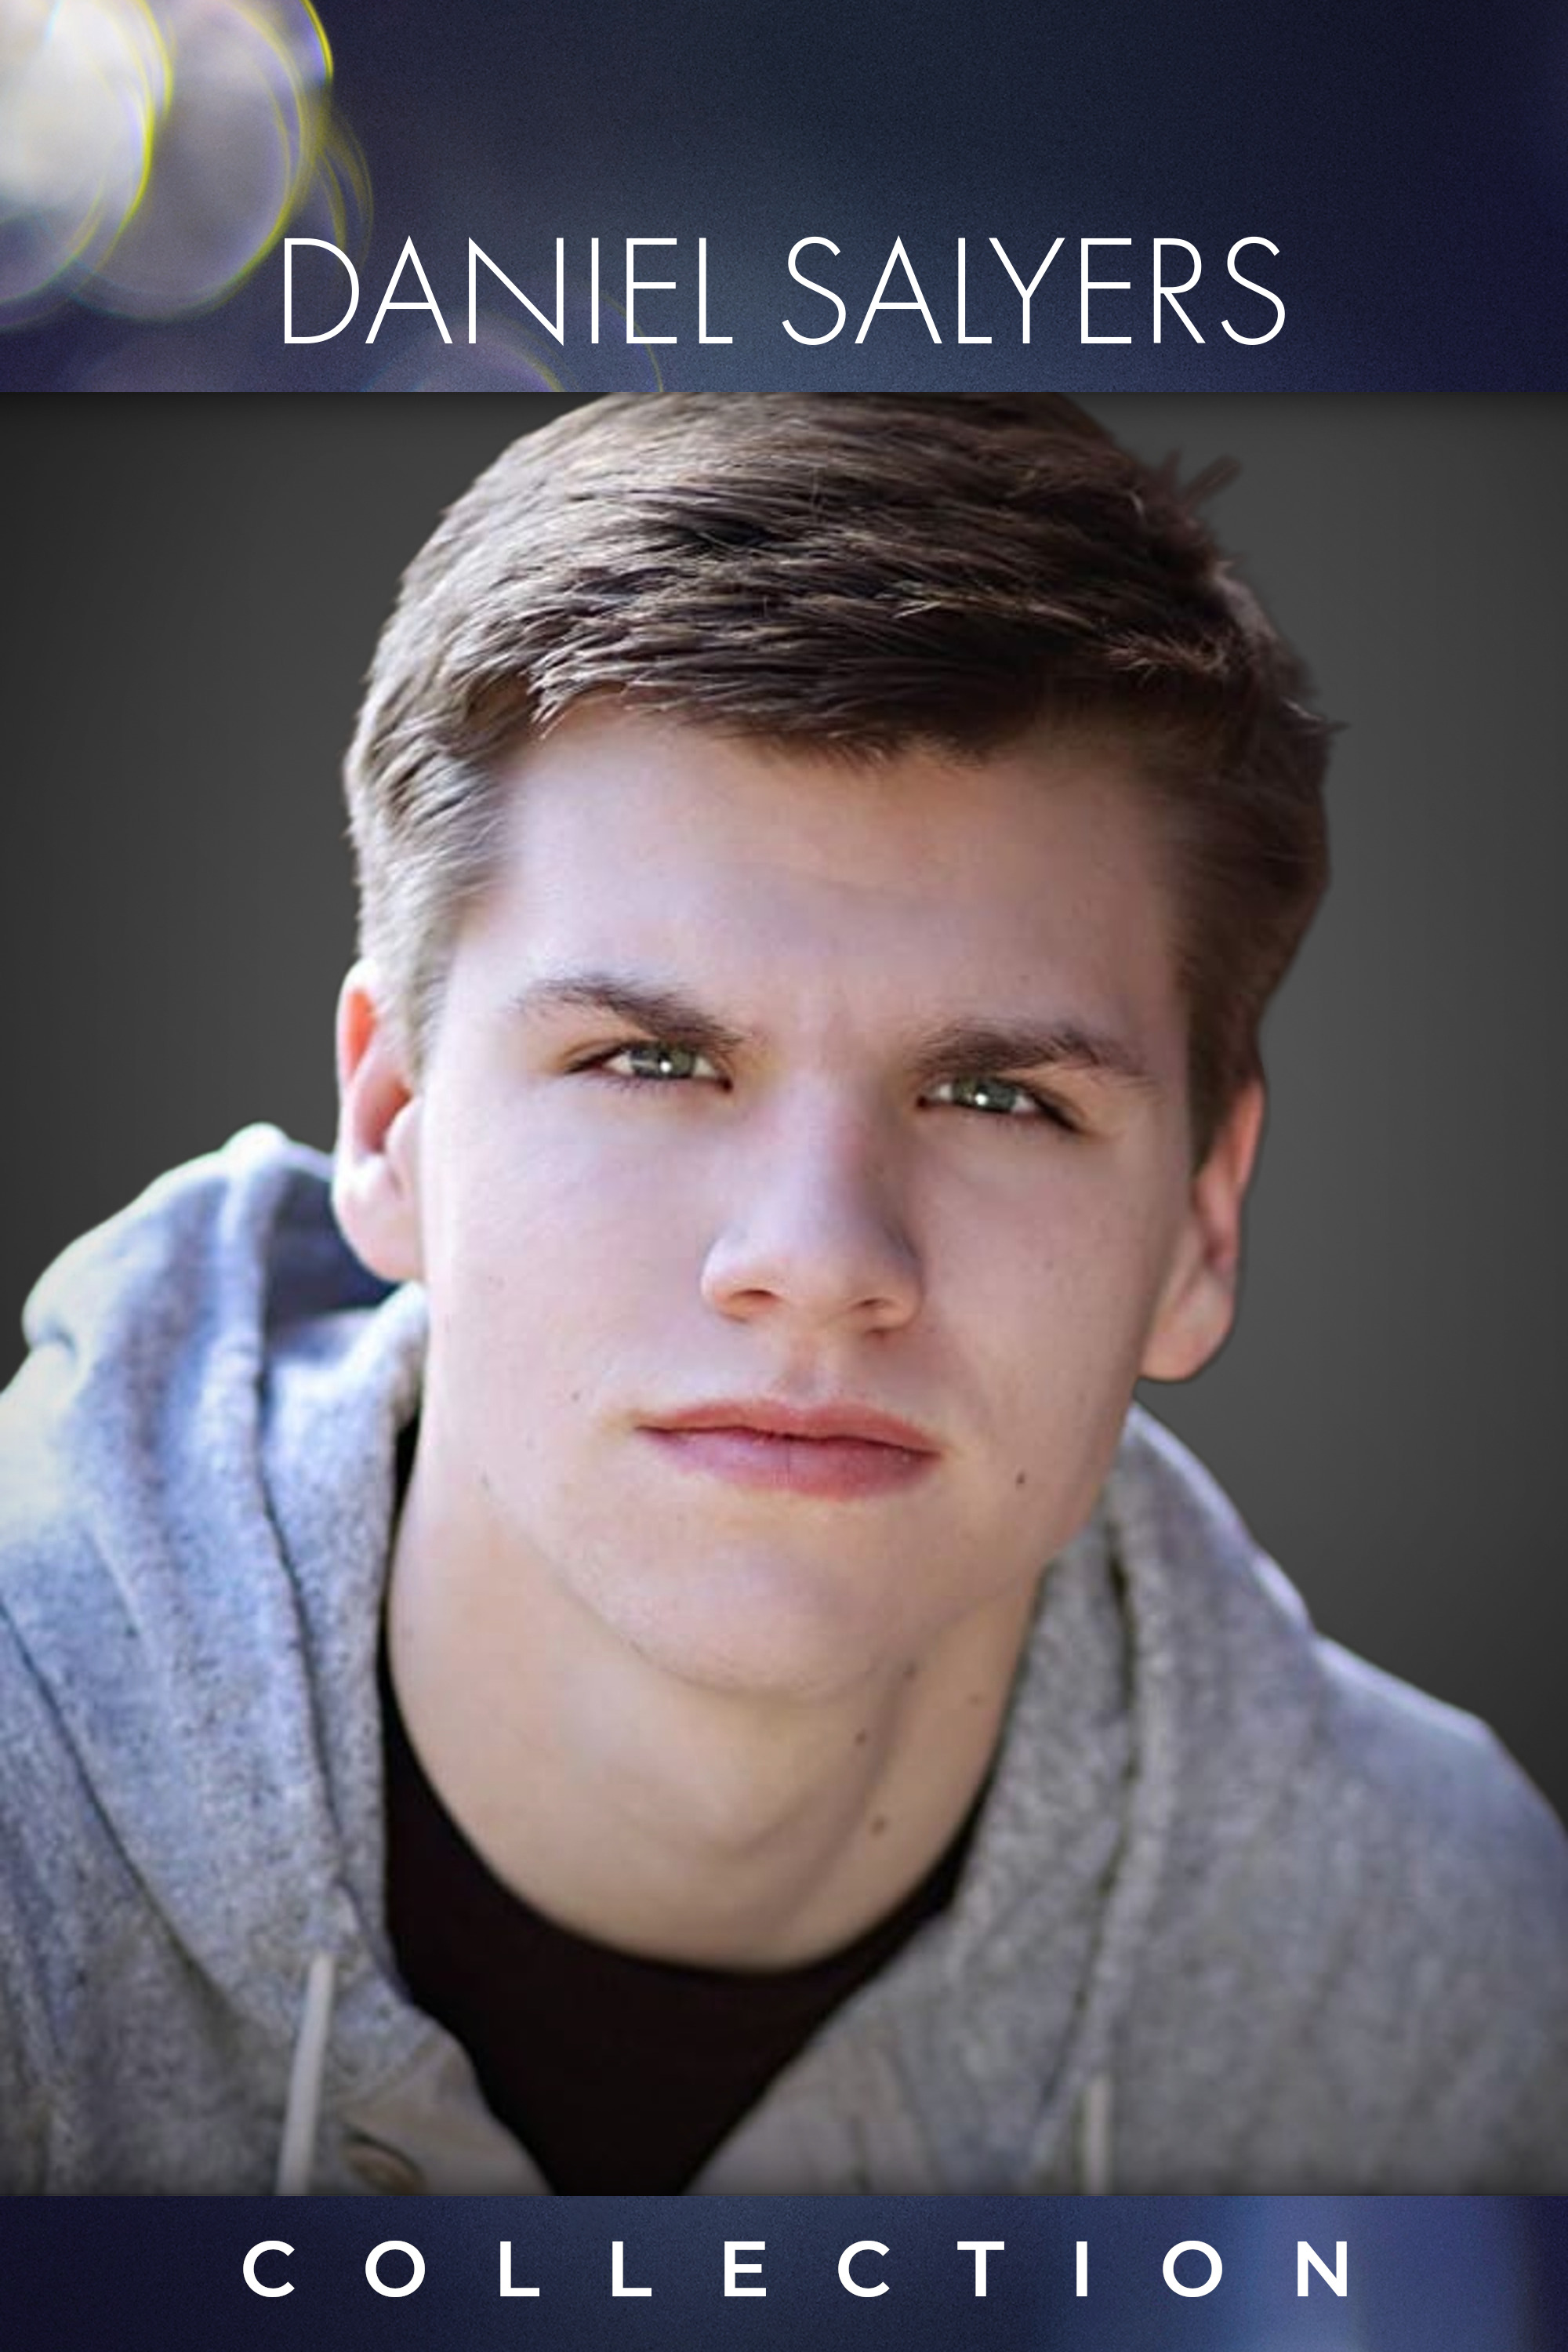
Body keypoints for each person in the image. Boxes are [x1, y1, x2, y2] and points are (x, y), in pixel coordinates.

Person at [1, 394, 1563, 2197]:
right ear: (390, 1125)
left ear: (1204, 1222)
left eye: (999, 1098)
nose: (820, 1259)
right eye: (651, 1061)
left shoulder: (1446, 1973)